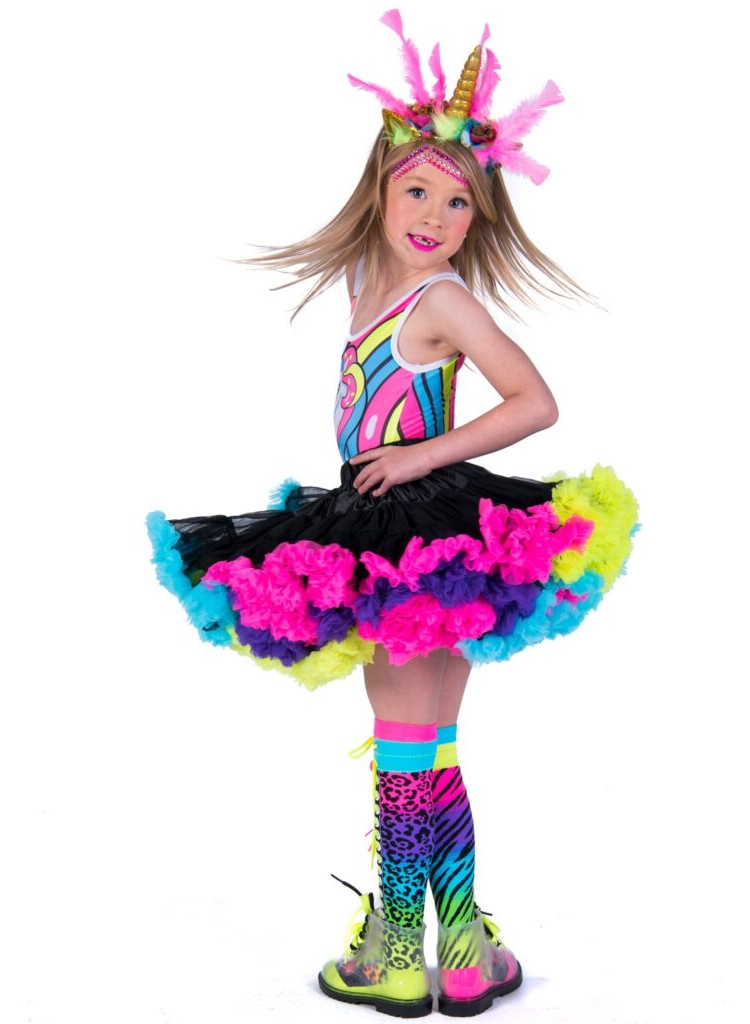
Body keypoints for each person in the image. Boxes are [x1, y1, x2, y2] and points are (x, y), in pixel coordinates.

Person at [146, 10, 640, 1018]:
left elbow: (535, 402)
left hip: (418, 536)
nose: (434, 216)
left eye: (458, 202)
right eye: (417, 190)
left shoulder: (442, 299)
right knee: (430, 744)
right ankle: (459, 951)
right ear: (377, 186)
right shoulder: (370, 277)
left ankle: (398, 951)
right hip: (386, 520)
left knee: (407, 744)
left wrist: (419, 453)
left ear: (477, 218)